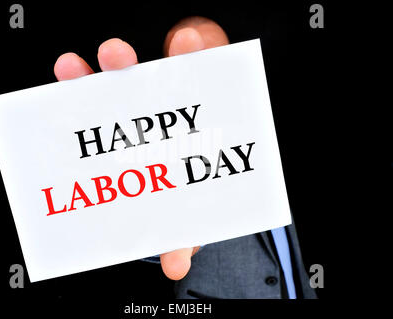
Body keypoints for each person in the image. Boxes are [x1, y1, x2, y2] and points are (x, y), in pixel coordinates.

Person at [53, 16, 317, 299]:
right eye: (196, 64)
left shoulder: (258, 131)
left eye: (221, 60)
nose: (210, 75)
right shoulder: (162, 151)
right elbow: (157, 225)